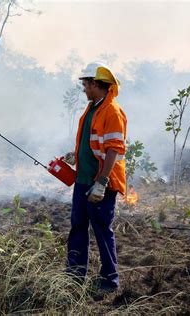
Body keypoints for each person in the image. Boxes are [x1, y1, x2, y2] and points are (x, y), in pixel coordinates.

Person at [63, 61, 127, 292]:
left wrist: (101, 182)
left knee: (101, 230)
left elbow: (113, 149)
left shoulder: (112, 111)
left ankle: (110, 281)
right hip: (82, 181)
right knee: (78, 226)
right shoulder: (92, 109)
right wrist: (77, 153)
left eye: (86, 84)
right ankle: (74, 275)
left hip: (101, 183)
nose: (84, 89)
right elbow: (93, 143)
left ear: (97, 84)